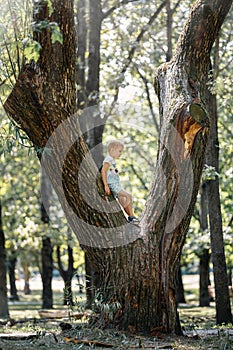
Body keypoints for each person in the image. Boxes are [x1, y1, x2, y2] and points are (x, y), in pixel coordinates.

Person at [101, 140, 139, 224]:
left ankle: (130, 217)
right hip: (113, 185)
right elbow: (103, 172)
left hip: (117, 184)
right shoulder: (108, 160)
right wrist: (106, 185)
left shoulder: (112, 160)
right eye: (119, 151)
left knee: (123, 201)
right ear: (112, 150)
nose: (120, 153)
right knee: (128, 195)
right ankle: (132, 216)